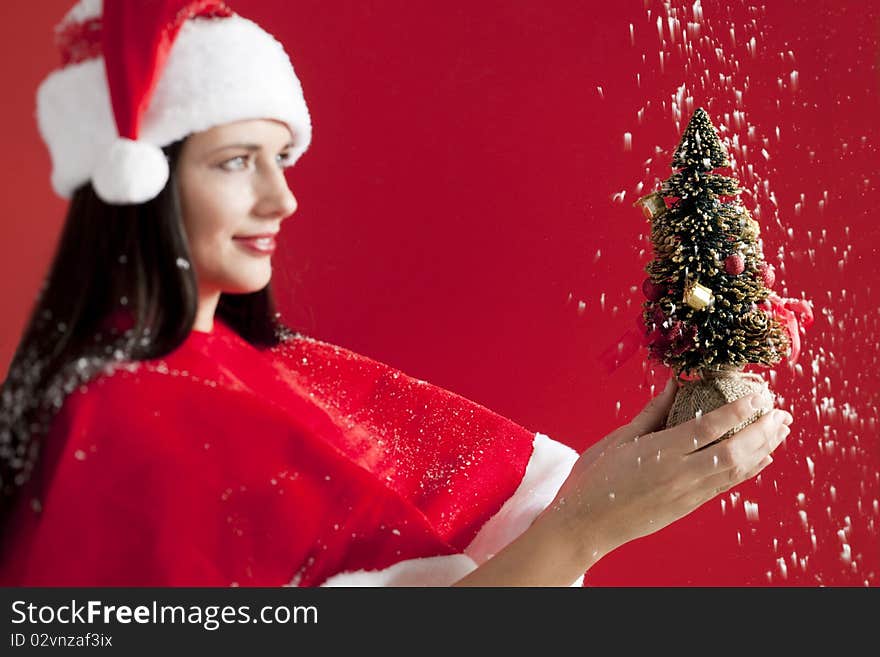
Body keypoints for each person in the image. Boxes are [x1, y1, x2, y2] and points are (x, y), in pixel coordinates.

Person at [0, 0, 793, 587]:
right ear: (139, 181)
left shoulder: (275, 373)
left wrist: (586, 500)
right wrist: (586, 528)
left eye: (283, 159)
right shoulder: (123, 421)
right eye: (238, 161)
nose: (283, 199)